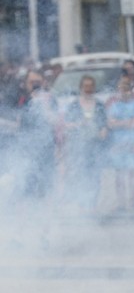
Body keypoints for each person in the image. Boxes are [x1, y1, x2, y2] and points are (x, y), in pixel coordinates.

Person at [61, 75, 108, 210]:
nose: (88, 89)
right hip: (79, 145)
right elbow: (67, 125)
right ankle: (82, 203)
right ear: (81, 88)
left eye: (91, 86)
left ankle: (92, 203)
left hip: (95, 144)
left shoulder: (99, 104)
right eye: (86, 86)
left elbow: (104, 123)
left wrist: (103, 131)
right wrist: (78, 124)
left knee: (95, 175)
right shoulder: (74, 105)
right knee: (81, 173)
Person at [17, 69, 58, 199]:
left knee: (46, 181)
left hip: (46, 147)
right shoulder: (23, 100)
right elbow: (19, 124)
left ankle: (44, 211)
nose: (35, 85)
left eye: (37, 82)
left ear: (43, 83)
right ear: (26, 83)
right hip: (27, 148)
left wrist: (45, 105)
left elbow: (56, 121)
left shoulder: (50, 99)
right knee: (28, 181)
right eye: (32, 82)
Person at [106, 76, 134, 211]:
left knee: (133, 172)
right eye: (122, 88)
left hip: (133, 144)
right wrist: (126, 122)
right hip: (118, 145)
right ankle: (121, 203)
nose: (124, 90)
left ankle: (132, 202)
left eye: (126, 87)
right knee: (119, 174)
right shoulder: (114, 106)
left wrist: (119, 123)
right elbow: (110, 124)